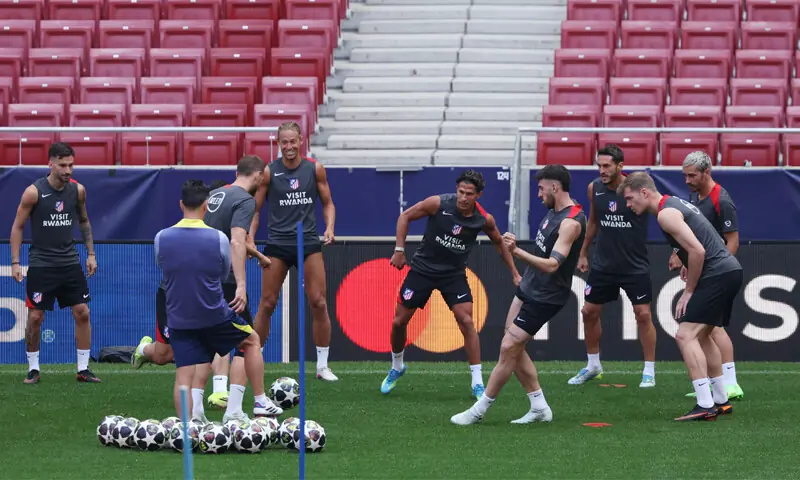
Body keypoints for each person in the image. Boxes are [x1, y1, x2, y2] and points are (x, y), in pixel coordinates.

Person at [132, 160, 278, 419]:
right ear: (258, 176)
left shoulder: (164, 235)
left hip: (178, 303)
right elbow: (232, 246)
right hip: (214, 294)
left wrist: (256, 255)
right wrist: (241, 284)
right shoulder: (241, 205)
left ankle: (191, 422)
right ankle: (245, 405)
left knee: (186, 363)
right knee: (249, 340)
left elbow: (163, 265)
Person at [451, 164, 586, 425]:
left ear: (555, 187)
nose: (538, 194)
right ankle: (538, 406)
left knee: (508, 346)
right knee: (513, 344)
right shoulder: (553, 213)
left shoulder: (570, 223)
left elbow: (553, 265)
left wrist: (516, 252)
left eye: (541, 189)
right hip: (530, 286)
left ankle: (478, 410)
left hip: (547, 294)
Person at [381, 170, 522, 399]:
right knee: (399, 321)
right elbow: (405, 216)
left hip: (453, 275)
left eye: (469, 194)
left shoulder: (483, 219)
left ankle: (477, 382)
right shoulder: (438, 203)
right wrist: (399, 249)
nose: (463, 198)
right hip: (423, 270)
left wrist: (515, 273)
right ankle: (397, 366)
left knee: (466, 321)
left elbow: (498, 243)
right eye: (461, 192)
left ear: (478, 195)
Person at [618, 172, 741, 421]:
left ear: (644, 192)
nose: (628, 205)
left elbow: (697, 249)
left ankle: (705, 404)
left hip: (716, 275)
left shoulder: (665, 214)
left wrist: (689, 291)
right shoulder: (675, 203)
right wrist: (687, 262)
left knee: (685, 334)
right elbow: (707, 239)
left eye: (630, 199)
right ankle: (720, 400)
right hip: (729, 270)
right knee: (704, 336)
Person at [250, 121, 339, 381]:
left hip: (308, 243)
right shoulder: (268, 172)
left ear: (301, 140)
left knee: (318, 301)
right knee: (267, 303)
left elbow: (328, 204)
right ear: (278, 143)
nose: (289, 146)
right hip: (277, 244)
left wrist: (330, 227)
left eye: (293, 141)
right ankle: (255, 357)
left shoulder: (314, 169)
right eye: (284, 142)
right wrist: (250, 238)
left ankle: (322, 366)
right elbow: (254, 211)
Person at [10, 142, 100, 384]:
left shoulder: (78, 190)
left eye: (71, 165)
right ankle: (33, 369)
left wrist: (90, 254)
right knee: (35, 317)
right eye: (62, 165)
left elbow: (84, 221)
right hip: (41, 264)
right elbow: (17, 227)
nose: (68, 170)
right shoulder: (33, 192)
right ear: (50, 164)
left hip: (70, 262)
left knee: (82, 312)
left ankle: (83, 368)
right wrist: (15, 262)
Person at [569, 145, 657, 388]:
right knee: (588, 312)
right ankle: (593, 365)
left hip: (634, 265)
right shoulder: (594, 188)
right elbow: (594, 221)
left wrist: (677, 251)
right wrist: (584, 252)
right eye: (599, 165)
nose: (602, 170)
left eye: (607, 165)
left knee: (644, 315)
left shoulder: (638, 189)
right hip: (603, 264)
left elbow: (664, 215)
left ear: (620, 166)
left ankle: (649, 370)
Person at [673, 151, 744, 400]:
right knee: (709, 329)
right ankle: (720, 385)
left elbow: (732, 241)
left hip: (718, 270)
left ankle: (730, 383)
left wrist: (715, 270)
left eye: (692, 175)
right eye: (685, 176)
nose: (688, 180)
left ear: (707, 172)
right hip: (708, 267)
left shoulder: (721, 200)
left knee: (714, 329)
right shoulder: (697, 196)